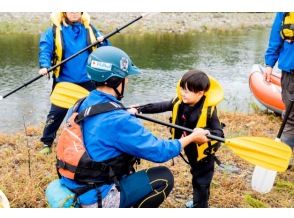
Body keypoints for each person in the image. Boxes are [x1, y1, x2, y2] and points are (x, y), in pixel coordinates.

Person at [56, 46, 210, 208]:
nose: (127, 80)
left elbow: (101, 130)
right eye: (125, 76)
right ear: (115, 80)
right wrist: (191, 137)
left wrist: (125, 113)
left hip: (73, 185)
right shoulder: (119, 120)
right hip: (96, 198)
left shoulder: (80, 104)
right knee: (163, 178)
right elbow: (160, 152)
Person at [135, 69, 224, 208]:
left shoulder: (209, 111)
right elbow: (160, 106)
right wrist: (139, 109)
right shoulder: (179, 101)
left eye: (188, 91)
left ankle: (201, 206)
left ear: (200, 93)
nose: (183, 93)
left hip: (203, 157)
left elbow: (219, 133)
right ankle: (198, 201)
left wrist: (205, 133)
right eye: (182, 88)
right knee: (195, 176)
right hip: (189, 149)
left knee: (201, 182)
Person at [38, 12, 109, 154]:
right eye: (71, 9)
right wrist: (44, 66)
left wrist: (103, 41)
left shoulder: (90, 28)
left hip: (88, 80)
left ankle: (93, 142)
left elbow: (106, 48)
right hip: (64, 80)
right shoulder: (54, 30)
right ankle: (47, 143)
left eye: (78, 9)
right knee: (56, 114)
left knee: (93, 113)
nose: (75, 12)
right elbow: (45, 49)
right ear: (64, 11)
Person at [264, 12, 294, 150]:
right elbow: (275, 37)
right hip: (291, 70)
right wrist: (269, 64)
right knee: (290, 115)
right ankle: (285, 154)